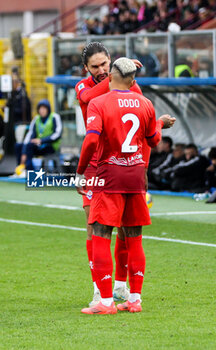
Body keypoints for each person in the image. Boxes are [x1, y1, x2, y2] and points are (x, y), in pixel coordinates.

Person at [76, 57, 176, 314]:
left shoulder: (99, 102)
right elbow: (153, 140)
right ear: (133, 80)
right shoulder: (146, 103)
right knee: (134, 237)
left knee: (100, 233)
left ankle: (106, 301)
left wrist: (80, 173)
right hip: (136, 176)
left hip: (109, 175)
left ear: (111, 75)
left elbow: (90, 141)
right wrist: (159, 124)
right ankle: (134, 299)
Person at [75, 42, 144, 307]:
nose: (102, 70)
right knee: (94, 226)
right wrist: (118, 76)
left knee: (127, 229)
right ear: (86, 68)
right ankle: (98, 288)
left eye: (106, 64)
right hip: (95, 165)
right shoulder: (83, 87)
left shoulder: (131, 86)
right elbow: (87, 98)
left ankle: (120, 287)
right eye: (95, 66)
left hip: (123, 166)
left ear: (110, 60)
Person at [14, 99, 62, 175]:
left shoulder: (55, 117)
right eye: (40, 108)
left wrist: (41, 140)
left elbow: (57, 134)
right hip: (39, 146)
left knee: (29, 147)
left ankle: (31, 173)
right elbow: (30, 135)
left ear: (48, 109)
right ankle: (22, 169)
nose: (42, 110)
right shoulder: (36, 119)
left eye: (44, 108)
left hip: (50, 146)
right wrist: (24, 152)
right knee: (18, 146)